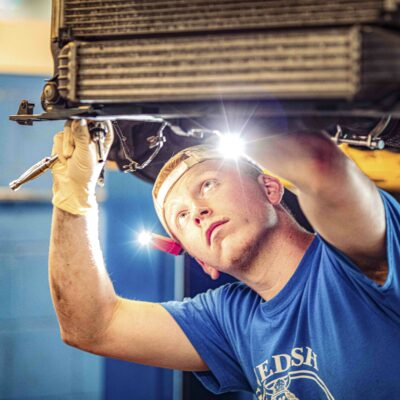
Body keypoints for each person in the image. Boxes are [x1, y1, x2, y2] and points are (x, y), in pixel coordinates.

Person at [49, 119, 400, 399]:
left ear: (270, 188)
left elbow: (321, 166)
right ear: (204, 263)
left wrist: (212, 96)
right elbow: (92, 327)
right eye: (181, 217)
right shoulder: (229, 321)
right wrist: (73, 201)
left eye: (208, 185)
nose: (198, 211)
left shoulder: (351, 256)